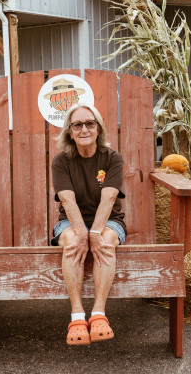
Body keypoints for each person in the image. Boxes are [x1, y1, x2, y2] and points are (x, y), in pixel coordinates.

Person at [50, 103, 126, 346]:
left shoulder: (112, 158)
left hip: (109, 222)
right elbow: (66, 199)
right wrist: (83, 233)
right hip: (70, 223)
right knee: (72, 241)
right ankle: (76, 317)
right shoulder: (61, 160)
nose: (84, 129)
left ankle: (99, 315)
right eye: (78, 125)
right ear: (70, 132)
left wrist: (94, 233)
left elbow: (110, 198)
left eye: (90, 123)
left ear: (98, 129)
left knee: (105, 240)